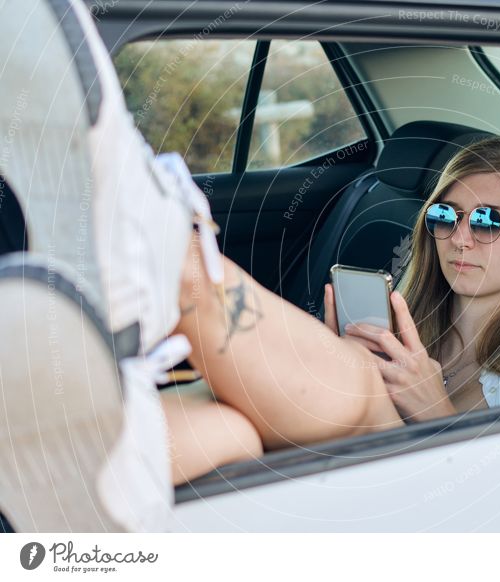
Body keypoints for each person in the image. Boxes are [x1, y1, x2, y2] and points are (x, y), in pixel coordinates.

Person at [0, 0, 401, 533]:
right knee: (274, 423)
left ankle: (163, 254)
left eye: (491, 221)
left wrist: (442, 399)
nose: (462, 233)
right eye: (445, 212)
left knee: (300, 411)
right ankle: (165, 261)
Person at [324, 137, 500, 423]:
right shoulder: (392, 341)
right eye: (445, 215)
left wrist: (436, 412)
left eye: (489, 221)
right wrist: (343, 377)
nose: (459, 239)